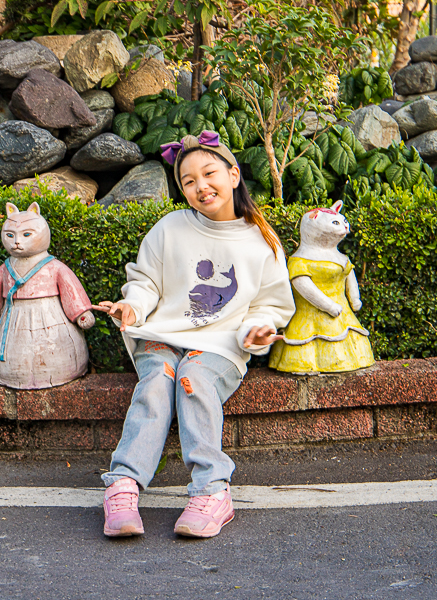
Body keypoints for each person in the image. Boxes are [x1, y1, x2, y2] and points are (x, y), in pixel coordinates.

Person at [93, 130, 296, 538]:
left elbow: (270, 305)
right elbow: (146, 281)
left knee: (192, 379)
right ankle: (123, 486)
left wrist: (258, 331)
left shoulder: (263, 241)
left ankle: (212, 490)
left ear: (234, 174)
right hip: (163, 334)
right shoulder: (170, 228)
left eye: (209, 174)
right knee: (158, 381)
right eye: (188, 181)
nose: (200, 186)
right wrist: (132, 306)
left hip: (221, 344)